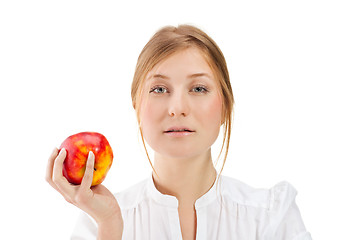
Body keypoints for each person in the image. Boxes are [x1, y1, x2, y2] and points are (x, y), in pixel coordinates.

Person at [46, 24, 312, 240]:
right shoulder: (98, 222)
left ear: (225, 107)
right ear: (137, 107)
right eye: (159, 89)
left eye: (198, 88)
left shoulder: (271, 216)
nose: (177, 108)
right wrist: (111, 225)